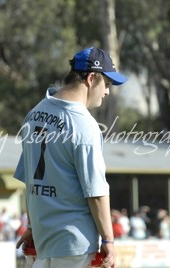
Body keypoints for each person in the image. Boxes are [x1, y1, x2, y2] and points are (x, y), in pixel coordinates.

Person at [14, 47, 128, 268]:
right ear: (91, 78)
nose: (107, 92)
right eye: (107, 84)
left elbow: (31, 180)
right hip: (75, 244)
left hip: (43, 240)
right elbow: (96, 192)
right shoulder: (84, 125)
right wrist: (108, 239)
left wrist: (31, 227)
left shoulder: (34, 113)